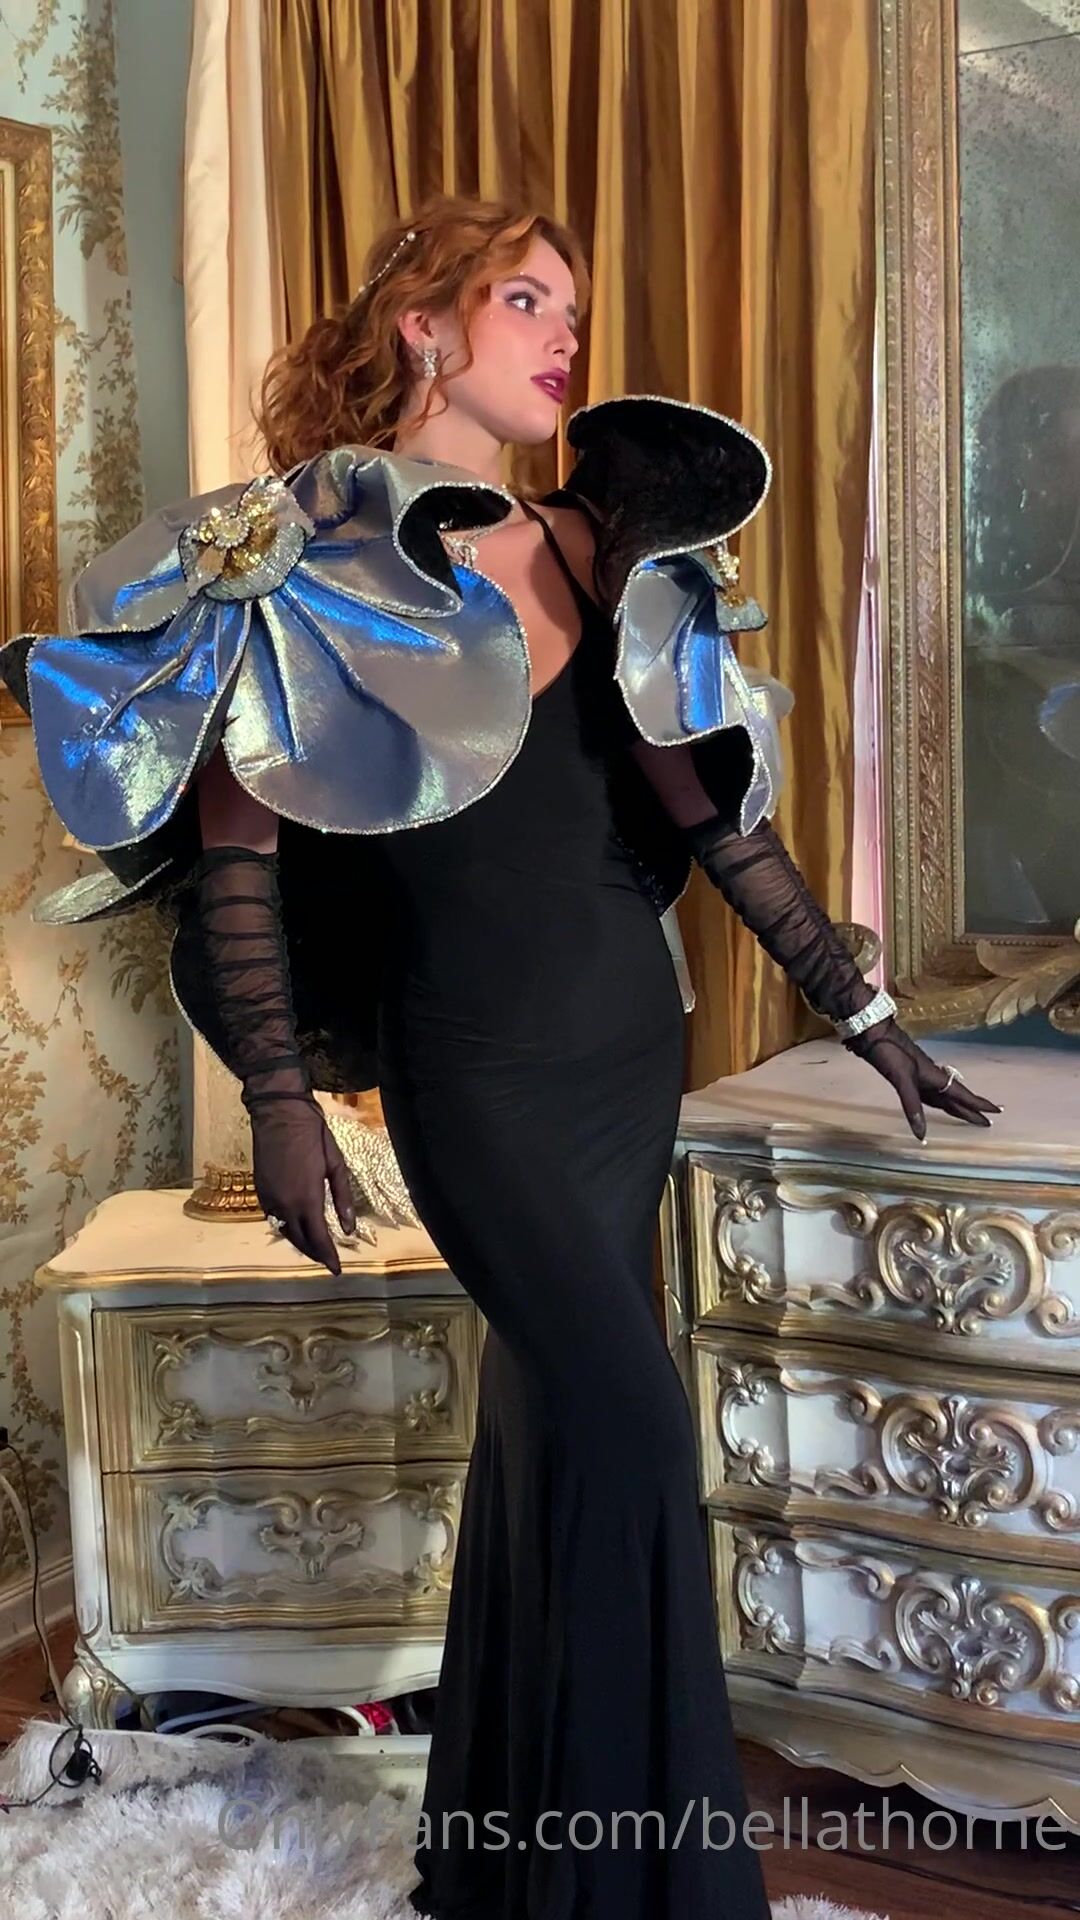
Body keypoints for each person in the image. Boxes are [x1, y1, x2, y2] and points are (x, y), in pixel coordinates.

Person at [2, 194, 999, 1920]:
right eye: (528, 299)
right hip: (476, 1079)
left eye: (571, 309)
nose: (565, 336)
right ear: (426, 326)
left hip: (625, 1057)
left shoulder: (605, 546)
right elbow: (238, 853)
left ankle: (514, 1860)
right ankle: (652, 1890)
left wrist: (867, 1014)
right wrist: (280, 1106)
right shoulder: (297, 559)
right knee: (634, 1439)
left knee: (552, 1440)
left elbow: (722, 823)